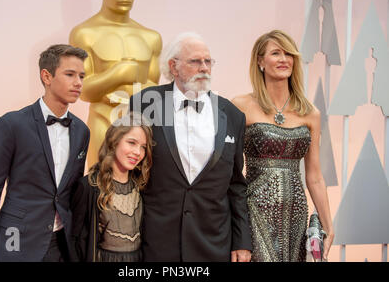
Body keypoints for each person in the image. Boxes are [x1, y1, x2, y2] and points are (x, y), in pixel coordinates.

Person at [129, 32, 252, 262]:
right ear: (173, 67)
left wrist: (242, 240)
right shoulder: (145, 103)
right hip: (156, 241)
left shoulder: (232, 114)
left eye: (208, 61)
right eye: (195, 61)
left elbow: (236, 185)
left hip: (214, 242)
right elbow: (131, 169)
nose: (204, 67)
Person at [0, 44, 90, 262]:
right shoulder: (11, 125)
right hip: (16, 238)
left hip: (62, 244)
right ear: (47, 76)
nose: (78, 83)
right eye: (70, 74)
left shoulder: (82, 131)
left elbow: (72, 192)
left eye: (82, 76)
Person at [231, 29, 334, 262]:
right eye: (276, 53)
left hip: (296, 212)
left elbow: (315, 176)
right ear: (260, 61)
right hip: (255, 210)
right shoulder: (241, 105)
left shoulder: (310, 113)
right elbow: (231, 172)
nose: (284, 59)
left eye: (289, 53)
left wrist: (329, 224)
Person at [69, 0, 162, 168]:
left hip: (139, 125)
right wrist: (118, 74)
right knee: (99, 189)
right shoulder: (85, 33)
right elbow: (83, 90)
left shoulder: (150, 37)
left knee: (141, 192)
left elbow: (154, 92)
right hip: (103, 118)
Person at [69, 112, 153, 262]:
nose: (138, 152)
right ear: (115, 141)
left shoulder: (141, 187)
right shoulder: (89, 186)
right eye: (132, 143)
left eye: (143, 147)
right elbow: (76, 242)